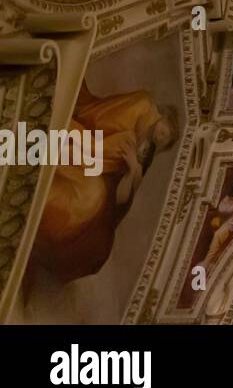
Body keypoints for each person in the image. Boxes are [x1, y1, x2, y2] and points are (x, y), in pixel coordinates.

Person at [32, 84, 178, 282]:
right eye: (165, 131)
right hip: (89, 143)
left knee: (98, 238)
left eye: (165, 140)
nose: (161, 137)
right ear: (164, 118)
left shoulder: (144, 154)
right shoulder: (144, 106)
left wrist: (133, 170)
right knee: (89, 195)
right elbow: (99, 121)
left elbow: (121, 197)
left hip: (102, 171)